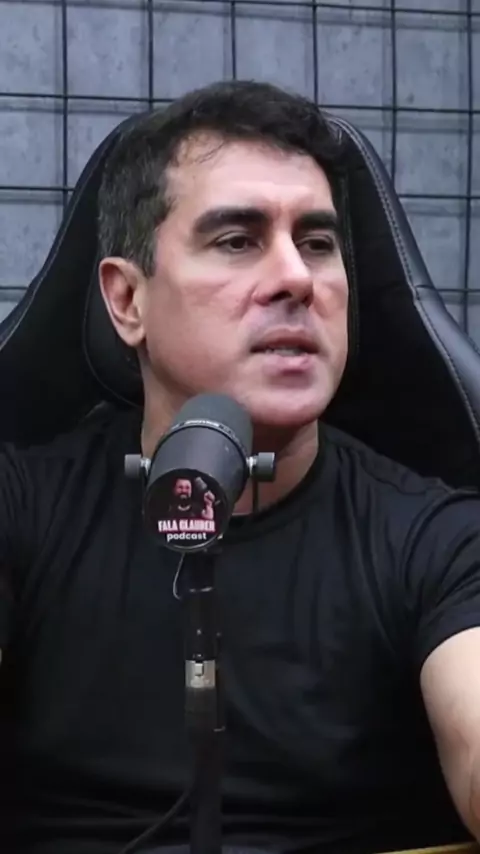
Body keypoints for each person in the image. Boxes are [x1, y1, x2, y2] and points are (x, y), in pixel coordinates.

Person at [1, 79, 480, 854]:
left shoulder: (440, 540)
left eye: (318, 243)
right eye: (237, 240)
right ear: (127, 300)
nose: (298, 278)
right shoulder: (21, 505)